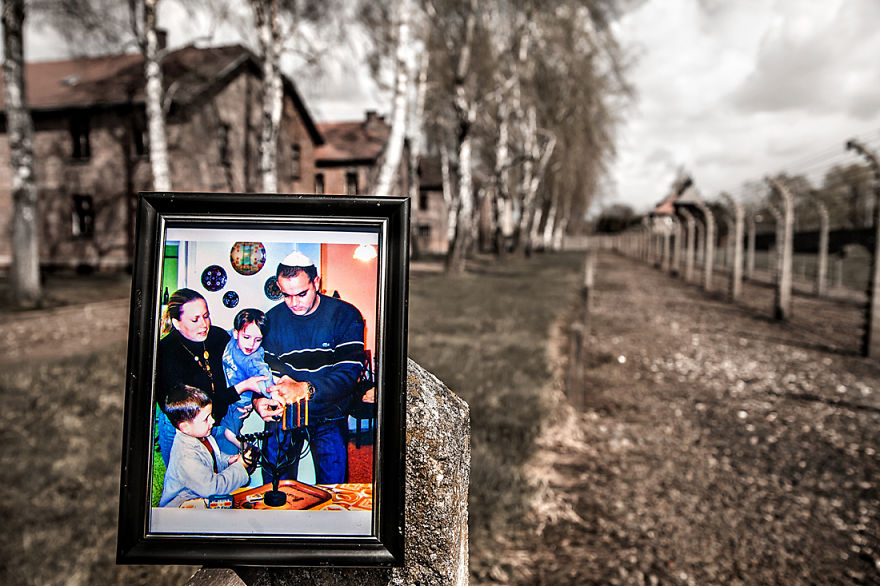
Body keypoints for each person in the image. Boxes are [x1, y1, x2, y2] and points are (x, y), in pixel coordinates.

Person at [253, 251, 367, 484]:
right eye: (286, 295)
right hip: (284, 414)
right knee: (276, 487)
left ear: (316, 282)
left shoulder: (345, 315)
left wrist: (304, 388)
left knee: (334, 487)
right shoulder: (272, 320)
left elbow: (348, 375)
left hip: (329, 414)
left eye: (301, 294)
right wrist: (258, 400)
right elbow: (261, 370)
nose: (293, 303)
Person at [155, 288, 266, 465]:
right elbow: (193, 407)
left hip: (219, 423)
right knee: (193, 481)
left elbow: (246, 366)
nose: (204, 325)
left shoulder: (218, 336)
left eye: (206, 316)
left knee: (233, 475)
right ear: (176, 323)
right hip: (184, 430)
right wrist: (241, 389)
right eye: (195, 320)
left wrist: (256, 399)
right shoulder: (165, 351)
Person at [159, 383, 257, 508]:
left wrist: (228, 461)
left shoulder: (202, 435)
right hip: (182, 507)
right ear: (185, 427)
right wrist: (240, 466)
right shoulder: (185, 456)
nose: (212, 421)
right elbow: (213, 489)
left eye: (210, 416)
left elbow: (213, 457)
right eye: (206, 419)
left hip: (200, 499)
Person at [216, 308, 275, 454]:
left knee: (229, 434)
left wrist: (273, 395)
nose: (251, 344)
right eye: (247, 337)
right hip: (227, 397)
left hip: (239, 405)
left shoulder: (253, 359)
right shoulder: (230, 340)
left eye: (258, 340)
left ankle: (250, 449)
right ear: (236, 333)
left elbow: (264, 377)